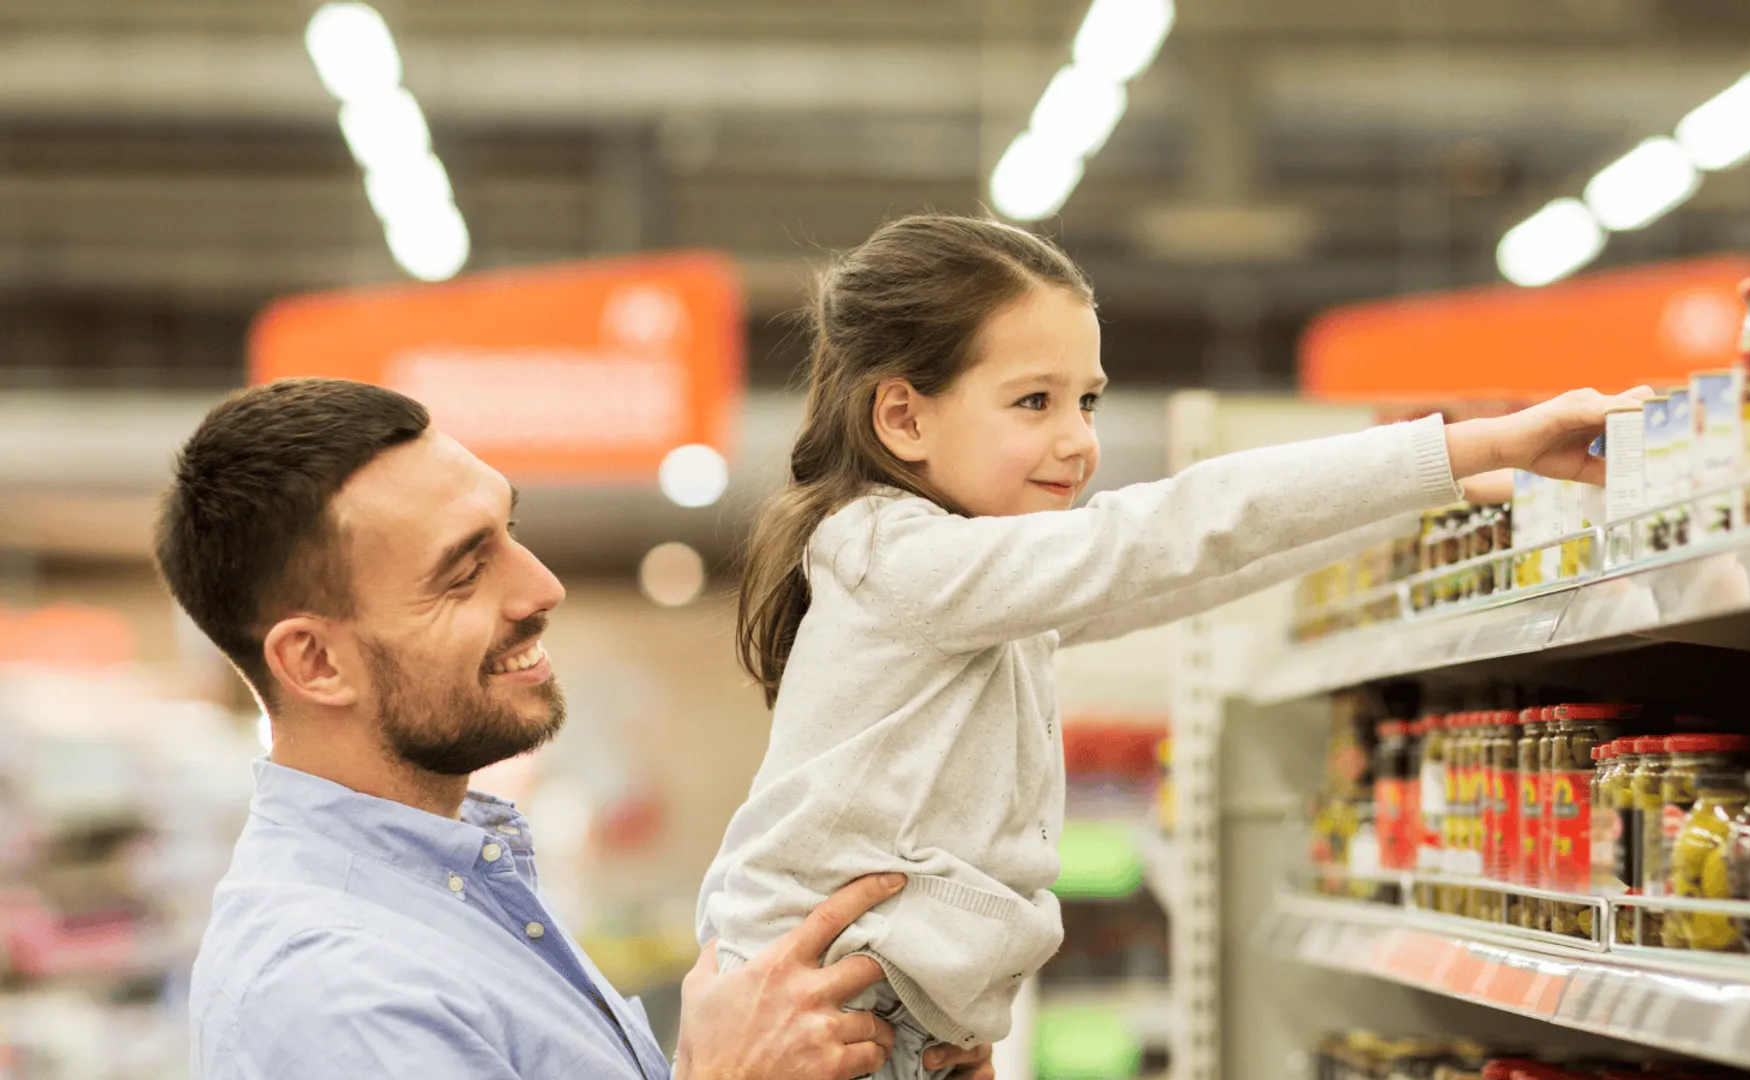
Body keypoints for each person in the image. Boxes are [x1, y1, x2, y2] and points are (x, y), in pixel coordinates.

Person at [697, 213, 1649, 1079]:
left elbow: (1194, 569)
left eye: (1090, 402)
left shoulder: (968, 580)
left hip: (885, 1020)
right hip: (821, 1021)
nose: (1077, 441)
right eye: (1034, 401)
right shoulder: (898, 559)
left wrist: (1428, 495)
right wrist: (1471, 448)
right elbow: (1169, 534)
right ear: (903, 417)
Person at [157, 378, 992, 1080]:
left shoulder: (462, 882)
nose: (541, 588)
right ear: (315, 662)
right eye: (462, 572)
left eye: (508, 533)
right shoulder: (335, 990)